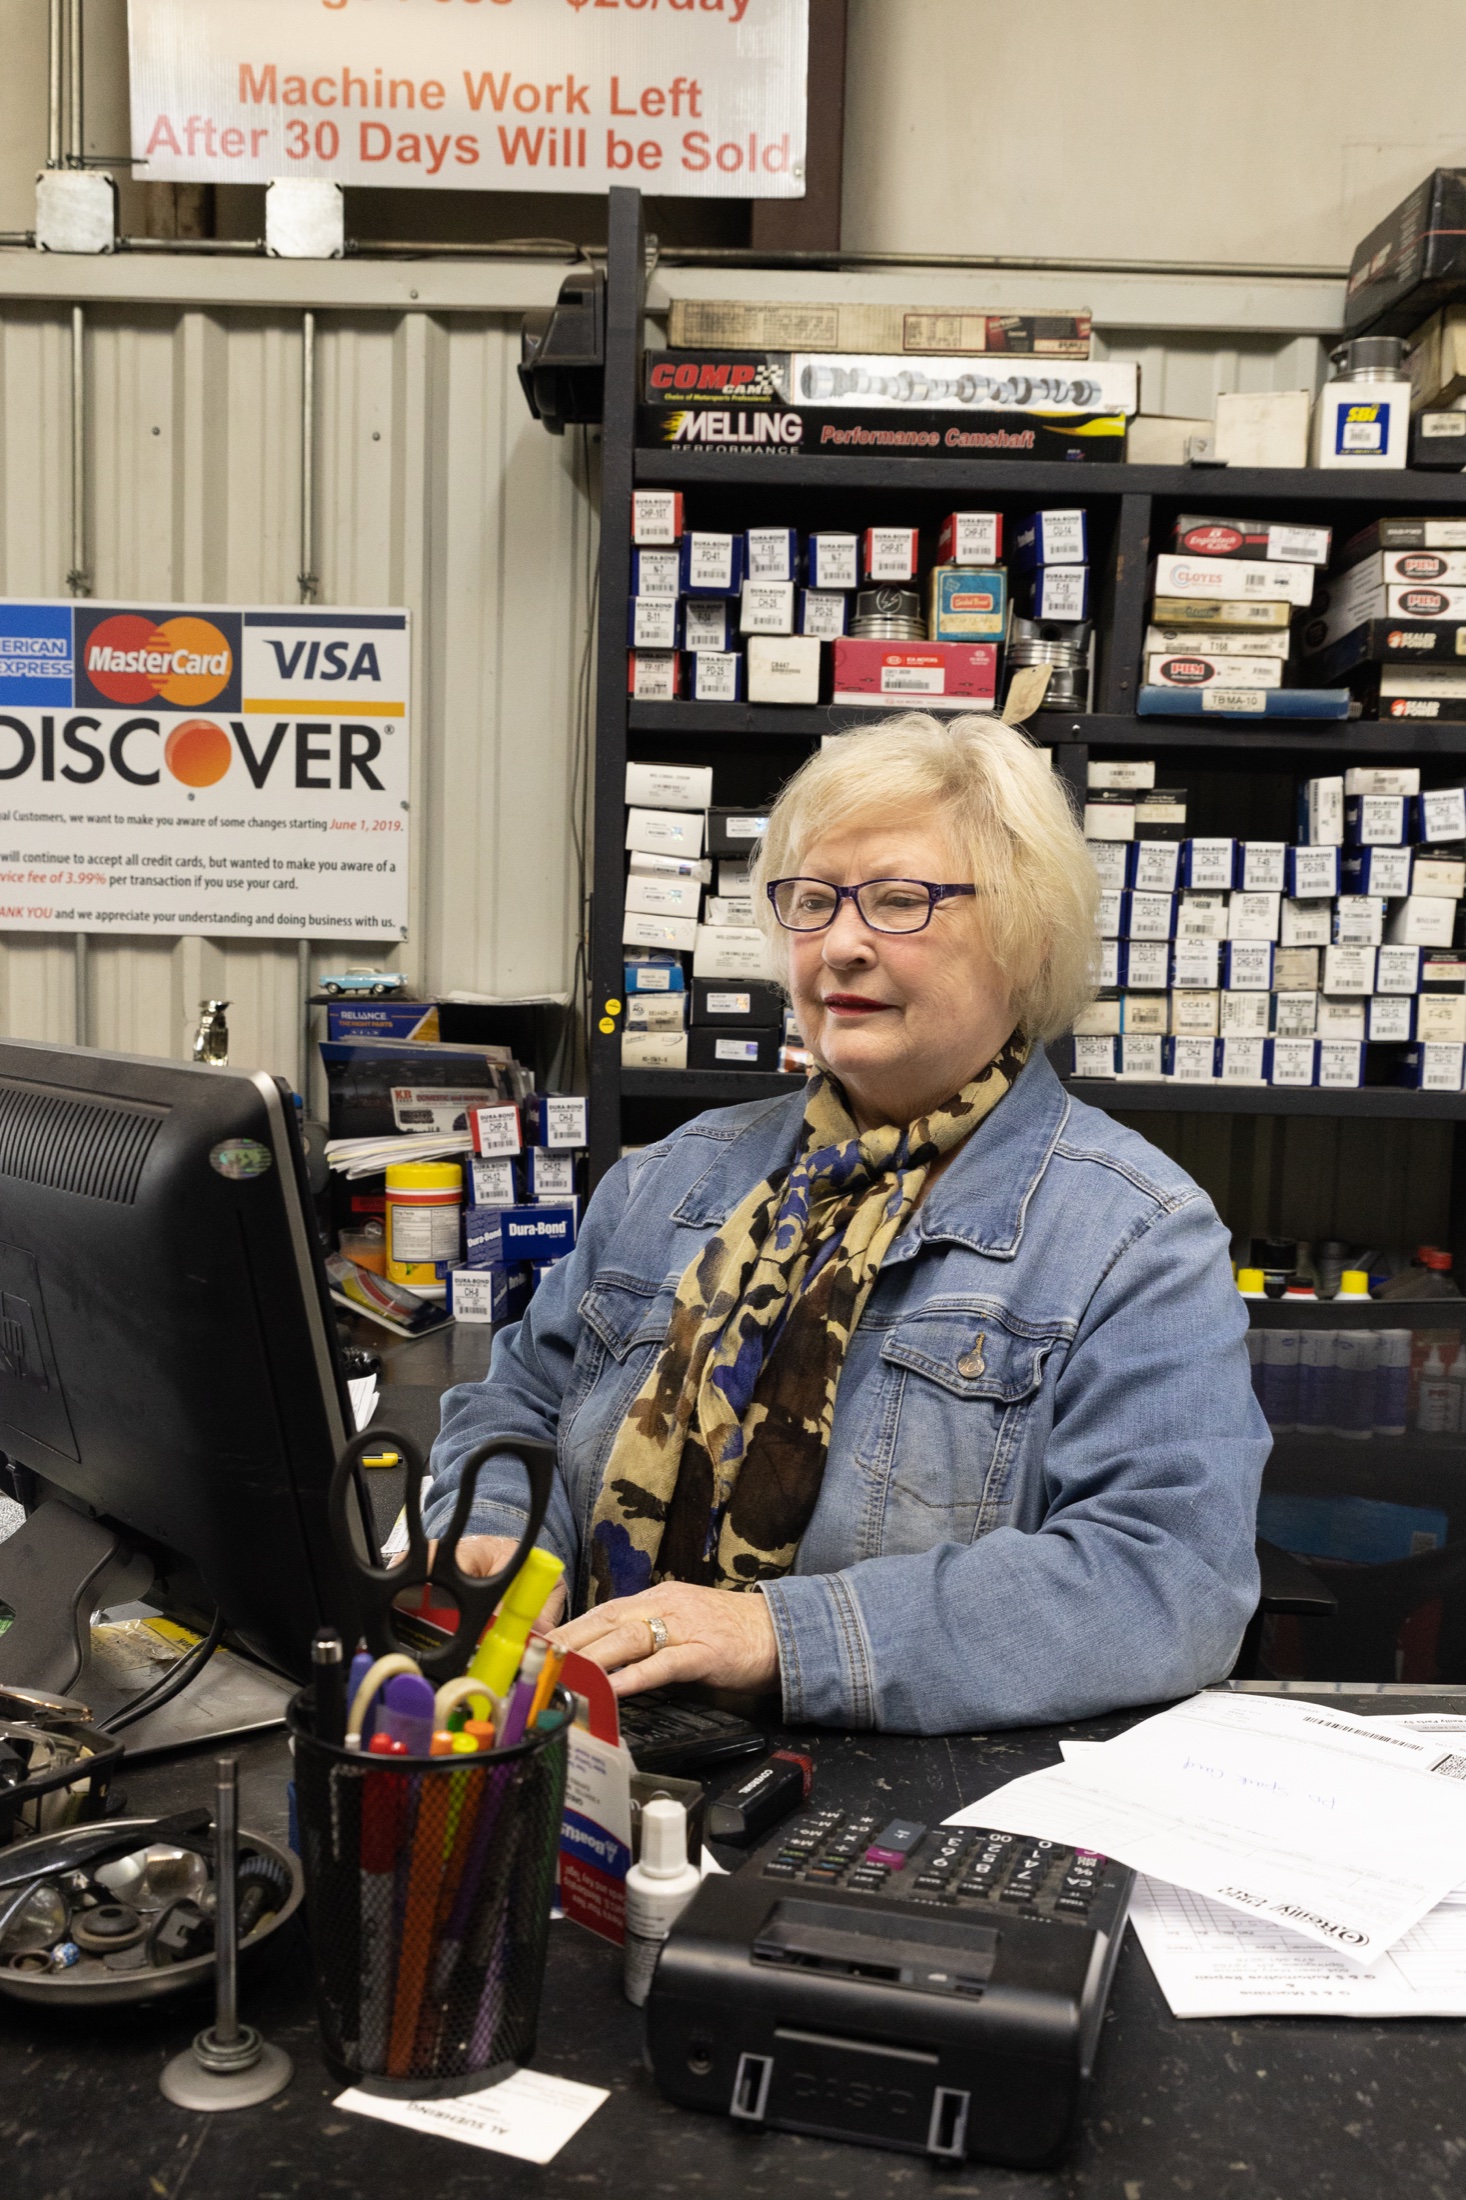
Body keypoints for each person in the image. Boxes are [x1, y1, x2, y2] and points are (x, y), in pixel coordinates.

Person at [424, 713, 1269, 1734]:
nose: (840, 944)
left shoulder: (1136, 1237)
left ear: (1027, 931)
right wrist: (499, 1534)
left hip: (894, 1812)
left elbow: (1165, 1580)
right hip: (584, 1758)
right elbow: (515, 1397)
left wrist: (775, 1636)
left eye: (901, 901)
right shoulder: (676, 1175)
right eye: (812, 900)